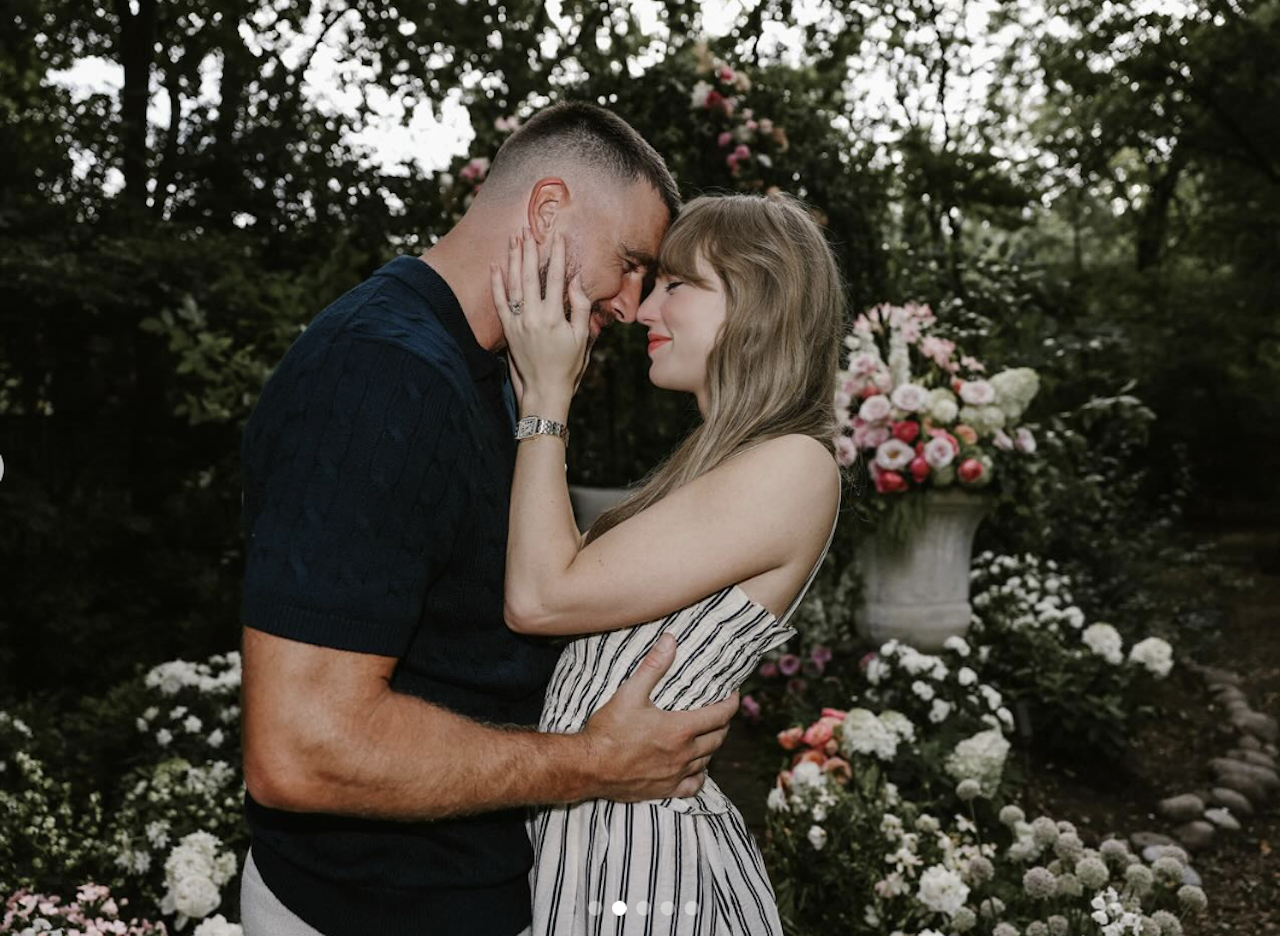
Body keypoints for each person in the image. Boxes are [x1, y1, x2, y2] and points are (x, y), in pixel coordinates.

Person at [236, 102, 740, 936]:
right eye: (629, 264)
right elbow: (300, 748)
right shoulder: (381, 374)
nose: (630, 304)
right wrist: (597, 764)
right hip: (369, 911)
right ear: (546, 210)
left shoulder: (490, 373)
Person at [492, 192, 844, 935]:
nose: (646, 311)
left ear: (759, 299)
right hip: (594, 837)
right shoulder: (719, 466)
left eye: (676, 286)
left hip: (642, 865)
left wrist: (548, 399)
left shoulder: (795, 466)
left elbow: (541, 595)